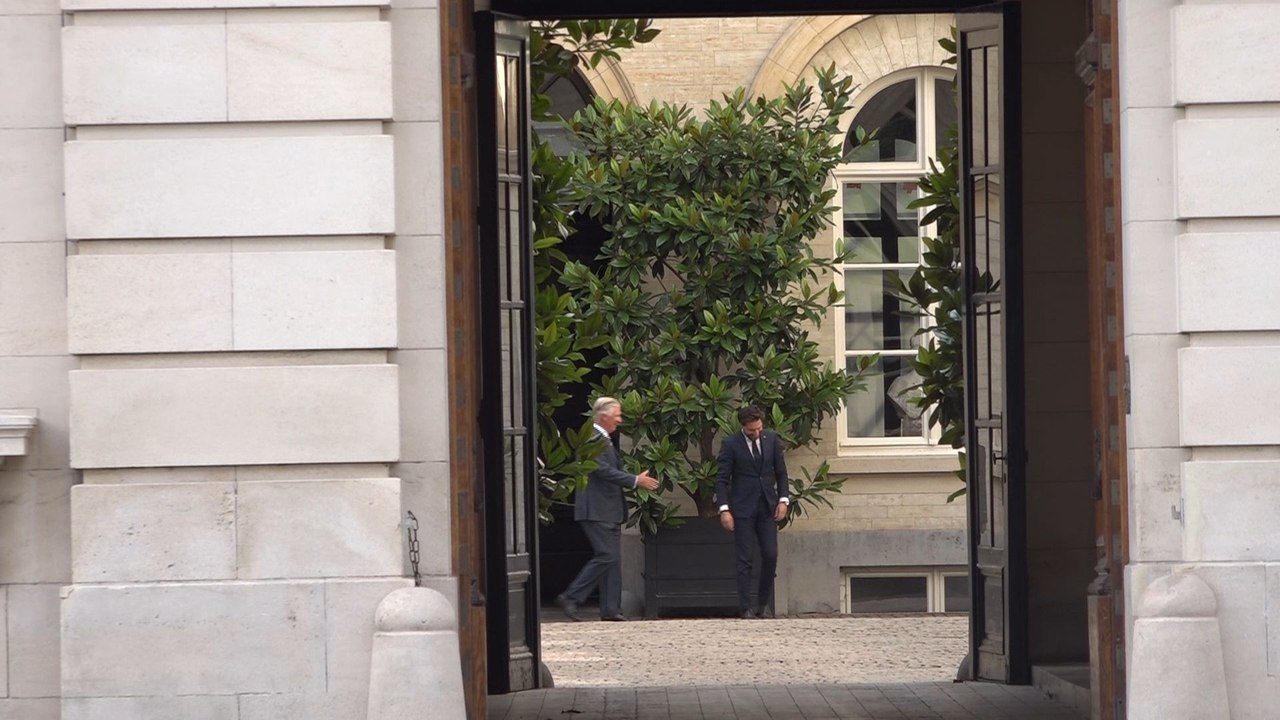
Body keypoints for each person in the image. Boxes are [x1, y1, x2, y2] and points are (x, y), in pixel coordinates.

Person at [556, 397, 659, 621]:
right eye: (617, 416)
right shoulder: (592, 439)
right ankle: (572, 595)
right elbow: (601, 470)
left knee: (612, 559)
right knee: (607, 555)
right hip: (596, 509)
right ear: (603, 417)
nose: (619, 420)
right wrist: (634, 481)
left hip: (607, 509)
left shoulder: (603, 439)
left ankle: (611, 609)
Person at [715, 405, 789, 619]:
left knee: (770, 554)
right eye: (751, 431)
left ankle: (763, 604)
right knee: (745, 558)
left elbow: (782, 473)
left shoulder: (772, 439)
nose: (756, 433)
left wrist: (783, 500)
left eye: (758, 429)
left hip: (767, 506)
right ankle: (745, 606)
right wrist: (724, 509)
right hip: (743, 508)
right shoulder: (731, 445)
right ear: (743, 427)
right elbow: (721, 480)